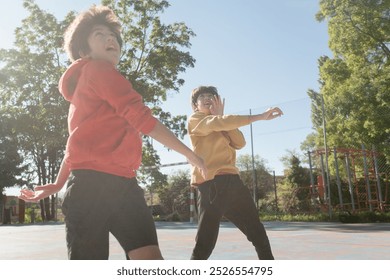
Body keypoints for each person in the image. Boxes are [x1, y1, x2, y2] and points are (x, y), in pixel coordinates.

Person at [19, 5, 207, 260]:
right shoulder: (97, 70)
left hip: (120, 184)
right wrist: (191, 154)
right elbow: (141, 117)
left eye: (114, 36)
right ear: (84, 50)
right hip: (92, 188)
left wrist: (58, 183)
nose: (111, 39)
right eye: (100, 34)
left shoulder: (85, 92)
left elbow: (73, 147)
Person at [188, 86, 283, 260]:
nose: (209, 98)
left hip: (233, 183)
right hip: (211, 184)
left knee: (258, 233)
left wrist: (221, 117)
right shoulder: (196, 120)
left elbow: (240, 142)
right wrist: (260, 117)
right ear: (195, 105)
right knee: (205, 243)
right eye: (203, 97)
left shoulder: (222, 122)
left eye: (212, 95)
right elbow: (215, 123)